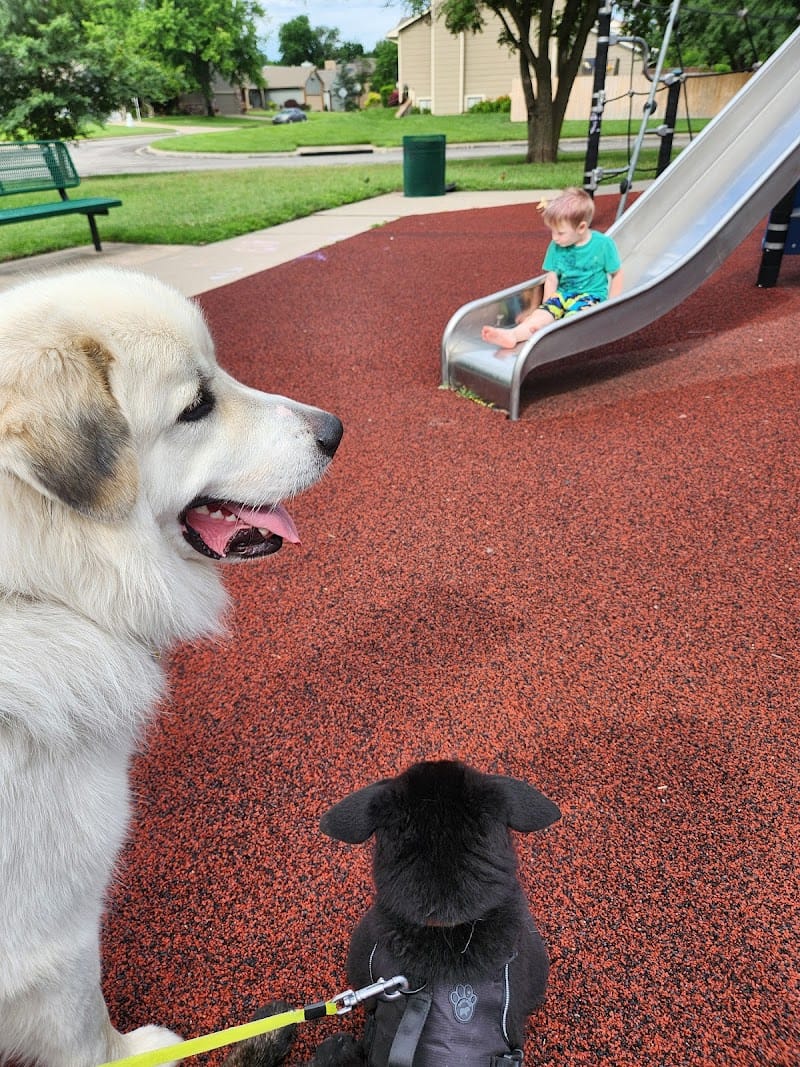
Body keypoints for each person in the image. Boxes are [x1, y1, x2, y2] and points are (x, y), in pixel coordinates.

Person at [481, 187, 623, 350]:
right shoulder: (557, 246)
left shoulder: (603, 245)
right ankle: (513, 335)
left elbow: (617, 274)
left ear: (581, 228)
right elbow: (551, 278)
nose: (555, 238)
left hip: (590, 297)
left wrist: (612, 304)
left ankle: (549, 331)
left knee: (575, 318)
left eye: (560, 233)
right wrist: (547, 307)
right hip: (562, 295)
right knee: (540, 316)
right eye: (552, 232)